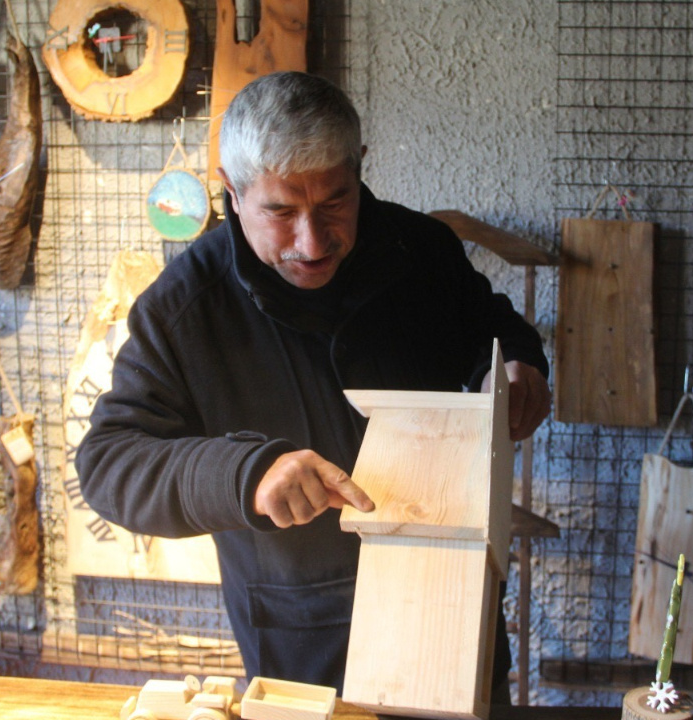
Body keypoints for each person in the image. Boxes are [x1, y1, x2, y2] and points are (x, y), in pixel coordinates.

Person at [76, 71, 551, 694]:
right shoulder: (186, 307)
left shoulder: (422, 250)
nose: (314, 240)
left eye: (335, 202)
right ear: (232, 193)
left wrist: (519, 366)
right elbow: (109, 465)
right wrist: (245, 475)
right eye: (280, 211)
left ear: (360, 168)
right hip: (302, 641)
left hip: (451, 606)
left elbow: (492, 327)